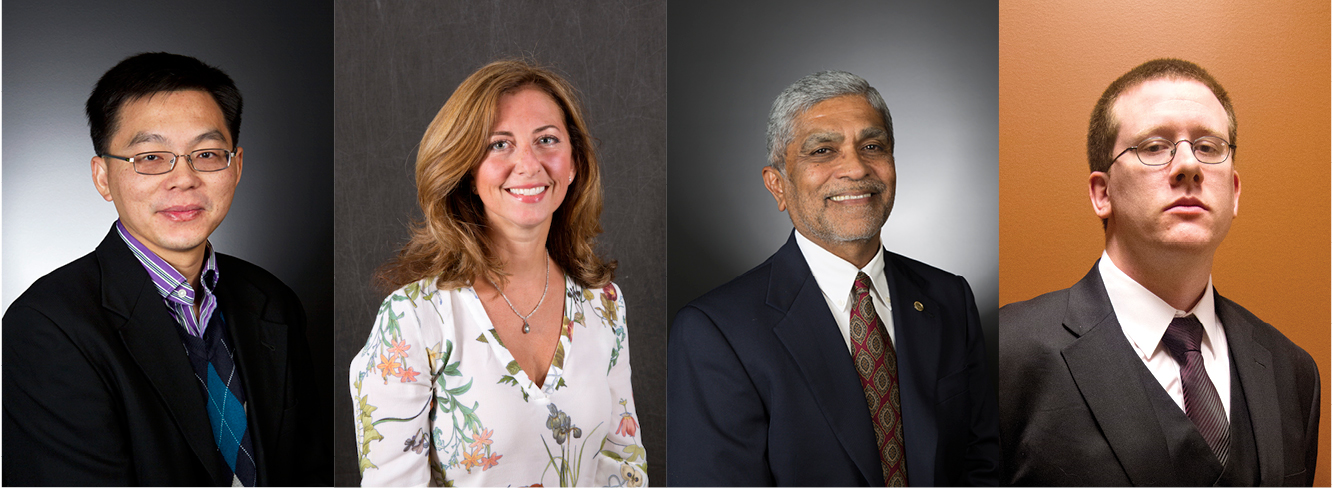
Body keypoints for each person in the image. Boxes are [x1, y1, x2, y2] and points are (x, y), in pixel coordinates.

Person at [2, 52, 329, 486]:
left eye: (207, 153)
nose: (184, 178)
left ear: (236, 167)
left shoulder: (273, 301)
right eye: (151, 157)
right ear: (103, 177)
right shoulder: (47, 328)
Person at [667, 70, 999, 486]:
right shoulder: (715, 332)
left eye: (872, 146)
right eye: (823, 151)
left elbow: (982, 464)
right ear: (777, 186)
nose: (856, 169)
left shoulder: (950, 298)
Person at [999, 58, 1319, 486]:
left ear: (1234, 191)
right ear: (1102, 193)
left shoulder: (1292, 372)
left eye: (1209, 147)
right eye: (1153, 146)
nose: (1189, 165)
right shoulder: (1002, 354)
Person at [349, 59, 647, 487]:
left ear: (574, 163)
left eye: (546, 139)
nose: (528, 164)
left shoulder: (605, 305)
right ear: (467, 170)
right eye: (499, 144)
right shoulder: (413, 319)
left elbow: (624, 469)